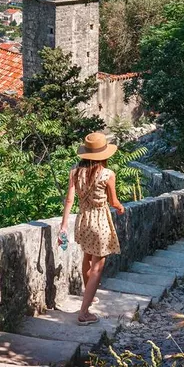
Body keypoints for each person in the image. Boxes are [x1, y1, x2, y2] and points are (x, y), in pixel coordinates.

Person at [59, 132, 125, 325]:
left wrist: (64, 226)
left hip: (83, 220)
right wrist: (120, 208)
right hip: (100, 221)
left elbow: (70, 200)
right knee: (98, 266)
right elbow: (113, 201)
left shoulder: (75, 172)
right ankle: (84, 313)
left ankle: (89, 294)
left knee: (87, 258)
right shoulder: (108, 174)